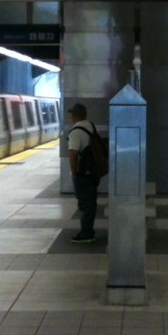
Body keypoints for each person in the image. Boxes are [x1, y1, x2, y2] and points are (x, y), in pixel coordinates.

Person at [67, 102, 99, 243]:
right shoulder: (90, 126)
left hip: (83, 173)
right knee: (90, 202)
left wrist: (73, 173)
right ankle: (88, 230)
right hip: (93, 171)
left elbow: (73, 154)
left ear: (74, 116)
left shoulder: (75, 131)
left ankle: (86, 233)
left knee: (86, 204)